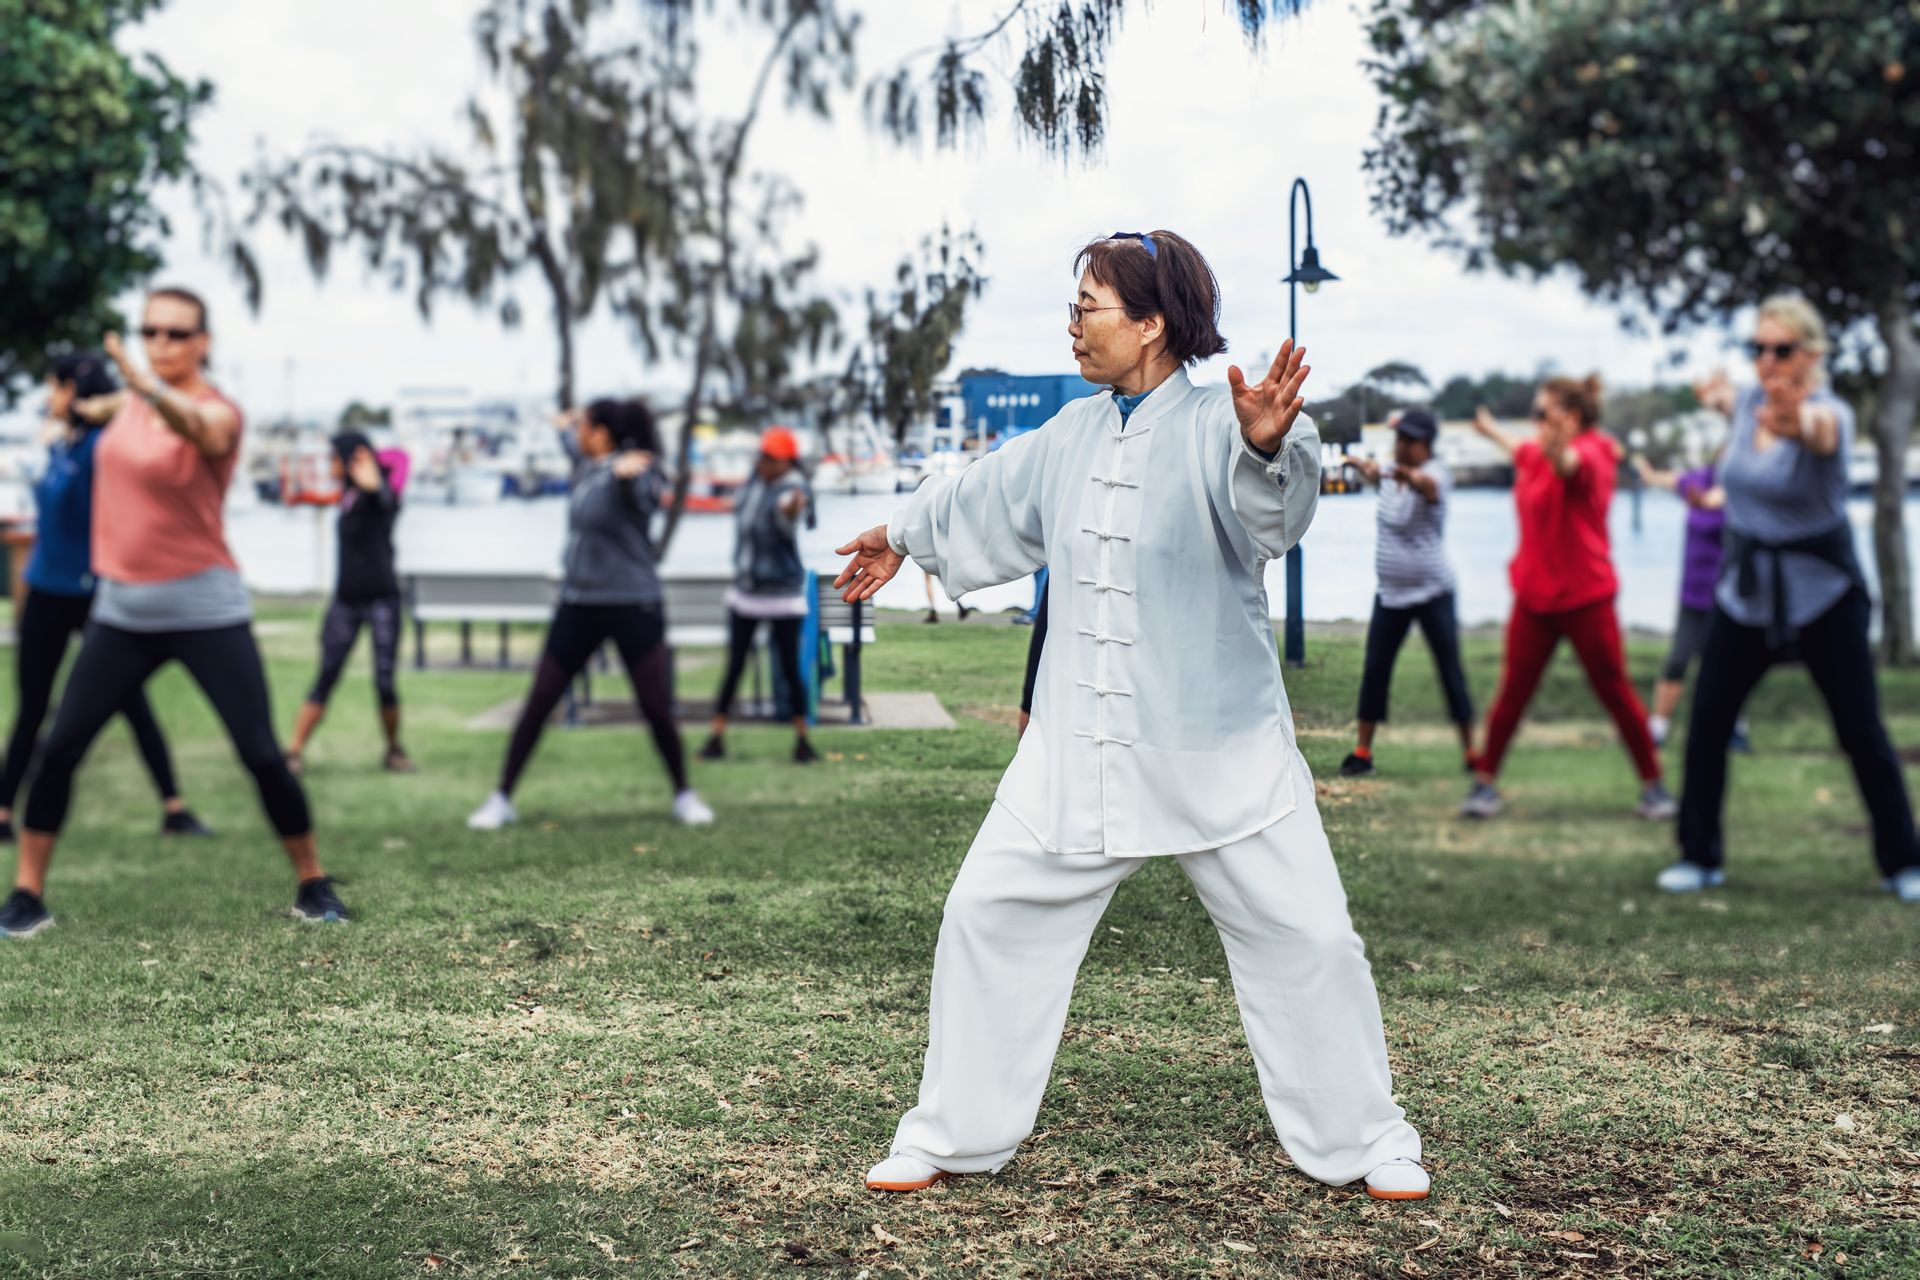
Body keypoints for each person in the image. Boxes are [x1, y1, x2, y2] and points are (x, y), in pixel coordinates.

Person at [834, 230, 1428, 1202]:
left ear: (1151, 324)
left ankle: (1369, 1140)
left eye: (1088, 308)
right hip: (1078, 748)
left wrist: (1269, 443)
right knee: (985, 914)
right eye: (1073, 307)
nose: (1073, 325)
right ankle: (949, 1131)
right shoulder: (1069, 433)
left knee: (1312, 938)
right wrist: (899, 533)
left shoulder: (1217, 421)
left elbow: (1274, 516)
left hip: (1221, 744)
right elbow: (985, 494)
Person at [0, 288, 348, 939]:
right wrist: (78, 406)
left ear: (203, 342)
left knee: (260, 754)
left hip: (205, 608)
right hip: (121, 610)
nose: (161, 344)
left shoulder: (219, 412)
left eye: (176, 334)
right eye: (150, 331)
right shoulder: (129, 404)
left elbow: (197, 427)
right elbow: (101, 405)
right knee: (60, 749)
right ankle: (25, 896)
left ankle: (313, 881)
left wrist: (142, 385)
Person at [1663, 297, 1920, 900]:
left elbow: (1817, 434)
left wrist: (1794, 419)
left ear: (1811, 353)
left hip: (1823, 594)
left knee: (1860, 730)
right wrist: (1721, 400)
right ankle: (1699, 856)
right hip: (1747, 592)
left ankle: (1905, 863)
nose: (1767, 361)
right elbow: (1742, 415)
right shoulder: (1750, 401)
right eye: (1757, 348)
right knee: (1707, 725)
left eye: (1780, 349)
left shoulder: (1829, 413)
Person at [468, 399, 713, 829]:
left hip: (633, 604)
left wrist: (626, 477)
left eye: (584, 426)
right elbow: (571, 441)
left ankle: (684, 795)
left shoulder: (639, 469)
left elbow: (643, 494)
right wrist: (565, 423)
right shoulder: (586, 467)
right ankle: (501, 797)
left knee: (656, 707)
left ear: (601, 433)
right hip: (579, 605)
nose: (577, 433)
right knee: (540, 701)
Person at [0, 352, 211, 847]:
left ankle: (174, 809)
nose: (49, 399)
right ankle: (4, 812)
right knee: (32, 706)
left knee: (131, 703)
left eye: (55, 388)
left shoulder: (104, 446)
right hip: (47, 594)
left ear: (75, 392)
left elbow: (144, 413)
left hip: (96, 593)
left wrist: (99, 410)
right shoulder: (58, 446)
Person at [1461, 381, 1674, 821]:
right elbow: (1520, 448)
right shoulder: (1533, 452)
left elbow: (1571, 467)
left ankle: (1654, 787)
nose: (1535, 424)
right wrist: (1491, 431)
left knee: (1614, 690)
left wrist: (1560, 452)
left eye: (1542, 415)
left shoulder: (1595, 452)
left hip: (1586, 599)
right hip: (1533, 599)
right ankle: (1484, 786)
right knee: (1512, 693)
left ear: (1571, 419)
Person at [1339, 408, 1474, 777]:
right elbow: (1373, 471)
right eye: (1399, 439)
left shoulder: (1436, 475)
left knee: (1450, 671)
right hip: (1391, 594)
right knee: (1375, 671)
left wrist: (1409, 478)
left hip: (1433, 592)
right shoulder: (1387, 470)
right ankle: (1362, 753)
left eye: (1408, 441)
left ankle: (1473, 752)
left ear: (1425, 445)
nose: (1400, 445)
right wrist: (1358, 464)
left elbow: (1427, 488)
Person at [285, 432, 412, 774]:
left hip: (382, 600)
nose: (331, 465)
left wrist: (375, 486)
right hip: (346, 601)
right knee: (326, 674)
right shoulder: (349, 495)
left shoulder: (377, 493)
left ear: (353, 459)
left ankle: (394, 750)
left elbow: (389, 506)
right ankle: (294, 751)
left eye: (335, 459)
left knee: (384, 682)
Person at [699, 427, 820, 765]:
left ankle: (802, 741)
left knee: (790, 671)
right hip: (747, 591)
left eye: (772, 459)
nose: (764, 463)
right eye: (763, 456)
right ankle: (715, 738)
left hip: (782, 594)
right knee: (734, 667)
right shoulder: (755, 484)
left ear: (787, 462)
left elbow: (788, 519)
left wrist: (792, 511)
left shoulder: (792, 488)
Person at [1632, 437, 1749, 754]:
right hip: (1693, 593)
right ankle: (1657, 727)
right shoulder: (1696, 482)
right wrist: (1648, 473)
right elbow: (1671, 479)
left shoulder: (1744, 494)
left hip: (1728, 594)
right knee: (1678, 659)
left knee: (1728, 664)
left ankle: (1735, 728)